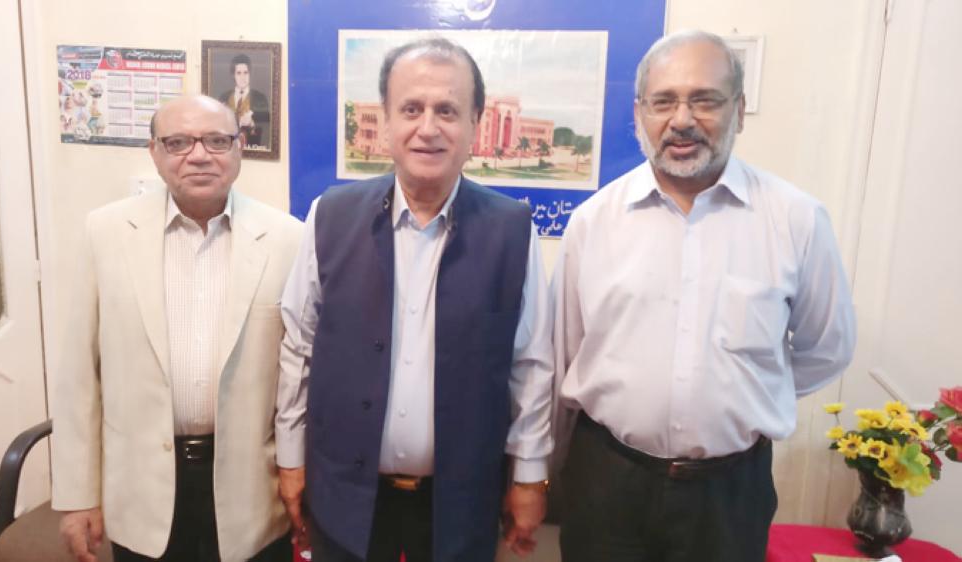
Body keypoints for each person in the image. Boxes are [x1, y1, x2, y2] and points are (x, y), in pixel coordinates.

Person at [551, 30, 856, 562]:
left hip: (729, 493)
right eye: (664, 101)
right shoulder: (592, 223)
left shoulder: (796, 220)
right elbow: (562, 357)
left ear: (738, 110)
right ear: (640, 112)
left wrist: (741, 394)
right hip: (606, 483)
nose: (683, 119)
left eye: (705, 99)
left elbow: (826, 347)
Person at [274, 37, 553, 562]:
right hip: (345, 494)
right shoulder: (329, 217)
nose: (428, 127)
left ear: (475, 124)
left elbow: (531, 366)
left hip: (461, 501)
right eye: (411, 109)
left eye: (447, 110)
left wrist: (531, 477)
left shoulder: (513, 231)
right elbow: (299, 348)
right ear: (385, 123)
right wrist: (291, 459)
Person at [51, 94, 302, 562]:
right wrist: (77, 495)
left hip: (251, 489)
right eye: (179, 142)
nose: (200, 154)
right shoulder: (105, 232)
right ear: (155, 152)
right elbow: (78, 377)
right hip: (141, 489)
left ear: (239, 148)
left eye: (216, 140)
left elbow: (301, 377)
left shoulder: (289, 239)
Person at [219, 53, 271, 149]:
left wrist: (252, 124)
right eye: (239, 73)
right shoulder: (224, 98)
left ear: (250, 74)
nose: (243, 77)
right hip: (227, 149)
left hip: (252, 149)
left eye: (246, 72)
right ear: (233, 75)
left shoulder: (260, 98)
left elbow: (267, 130)